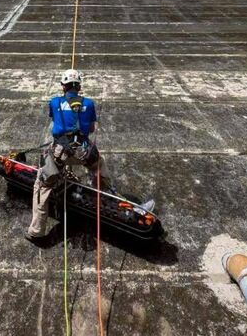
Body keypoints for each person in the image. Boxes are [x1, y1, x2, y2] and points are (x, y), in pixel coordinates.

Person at [26, 69, 154, 241]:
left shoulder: (55, 102)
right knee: (100, 167)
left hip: (59, 153)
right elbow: (91, 129)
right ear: (79, 86)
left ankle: (36, 231)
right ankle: (108, 195)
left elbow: (55, 122)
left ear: (63, 86)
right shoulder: (90, 103)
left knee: (42, 186)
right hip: (84, 152)